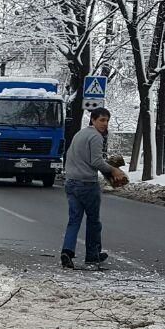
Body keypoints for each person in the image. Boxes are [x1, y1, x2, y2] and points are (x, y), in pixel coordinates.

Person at [61, 107, 128, 269]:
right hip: (87, 184)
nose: (105, 124)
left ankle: (67, 252)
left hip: (71, 182)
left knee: (74, 220)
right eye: (101, 120)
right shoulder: (96, 137)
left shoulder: (79, 134)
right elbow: (96, 162)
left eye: (107, 120)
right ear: (93, 120)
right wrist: (114, 170)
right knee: (93, 221)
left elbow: (72, 156)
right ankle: (92, 255)